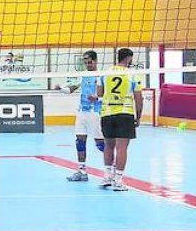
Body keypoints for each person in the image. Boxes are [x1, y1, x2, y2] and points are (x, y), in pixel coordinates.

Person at [96, 48, 144, 192]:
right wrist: (138, 116)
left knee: (108, 146)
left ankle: (107, 177)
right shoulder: (132, 74)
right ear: (129, 58)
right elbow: (138, 98)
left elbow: (99, 93)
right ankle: (117, 181)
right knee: (121, 147)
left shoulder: (105, 73)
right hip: (125, 113)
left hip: (107, 113)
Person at [58, 51, 103, 182]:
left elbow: (104, 95)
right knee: (80, 141)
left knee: (100, 144)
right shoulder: (83, 75)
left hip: (95, 112)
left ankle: (111, 169)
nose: (88, 64)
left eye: (90, 62)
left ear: (95, 61)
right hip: (82, 112)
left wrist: (97, 98)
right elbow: (72, 88)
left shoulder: (101, 76)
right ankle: (82, 171)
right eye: (85, 62)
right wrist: (60, 89)